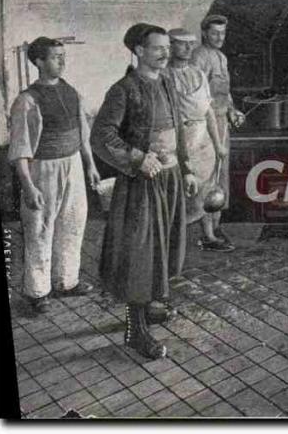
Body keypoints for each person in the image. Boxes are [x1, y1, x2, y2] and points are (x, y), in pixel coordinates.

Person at [91, 23, 199, 360]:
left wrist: (187, 167)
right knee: (140, 254)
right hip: (141, 184)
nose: (166, 53)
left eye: (167, 47)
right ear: (139, 51)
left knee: (165, 246)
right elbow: (101, 137)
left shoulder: (166, 81)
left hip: (170, 180)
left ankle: (150, 306)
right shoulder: (123, 89)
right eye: (157, 48)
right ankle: (135, 329)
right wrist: (137, 159)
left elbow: (177, 130)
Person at [8, 37, 99, 313]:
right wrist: (29, 185)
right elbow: (20, 149)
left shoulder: (71, 92)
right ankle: (38, 292)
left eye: (63, 55)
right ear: (38, 61)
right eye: (55, 56)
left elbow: (83, 135)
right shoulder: (26, 100)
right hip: (43, 169)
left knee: (73, 222)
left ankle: (67, 281)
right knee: (40, 228)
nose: (62, 60)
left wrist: (90, 165)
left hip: (72, 165)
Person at [165, 28, 232, 252]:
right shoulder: (164, 76)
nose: (187, 48)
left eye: (190, 44)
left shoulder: (198, 74)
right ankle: (173, 242)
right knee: (180, 191)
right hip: (179, 139)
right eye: (181, 44)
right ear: (170, 46)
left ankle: (208, 236)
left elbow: (208, 112)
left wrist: (218, 144)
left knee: (208, 189)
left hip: (203, 139)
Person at [191, 15, 245, 245]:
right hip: (205, 125)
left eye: (222, 33)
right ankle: (207, 235)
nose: (219, 37)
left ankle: (216, 226)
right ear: (204, 33)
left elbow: (225, 92)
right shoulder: (199, 56)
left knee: (221, 176)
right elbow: (196, 94)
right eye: (214, 33)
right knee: (207, 177)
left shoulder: (221, 58)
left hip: (223, 122)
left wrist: (233, 111)